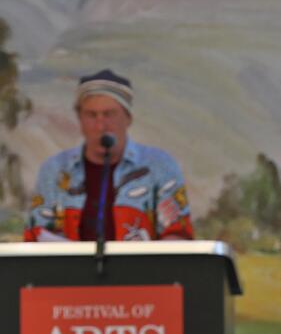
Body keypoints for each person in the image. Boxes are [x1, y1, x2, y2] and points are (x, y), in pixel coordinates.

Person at [25, 69, 193, 243]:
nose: (100, 125)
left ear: (128, 118)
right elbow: (36, 233)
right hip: (68, 270)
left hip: (142, 269)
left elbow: (178, 233)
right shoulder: (54, 170)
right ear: (80, 120)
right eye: (91, 115)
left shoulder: (160, 165)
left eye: (109, 114)